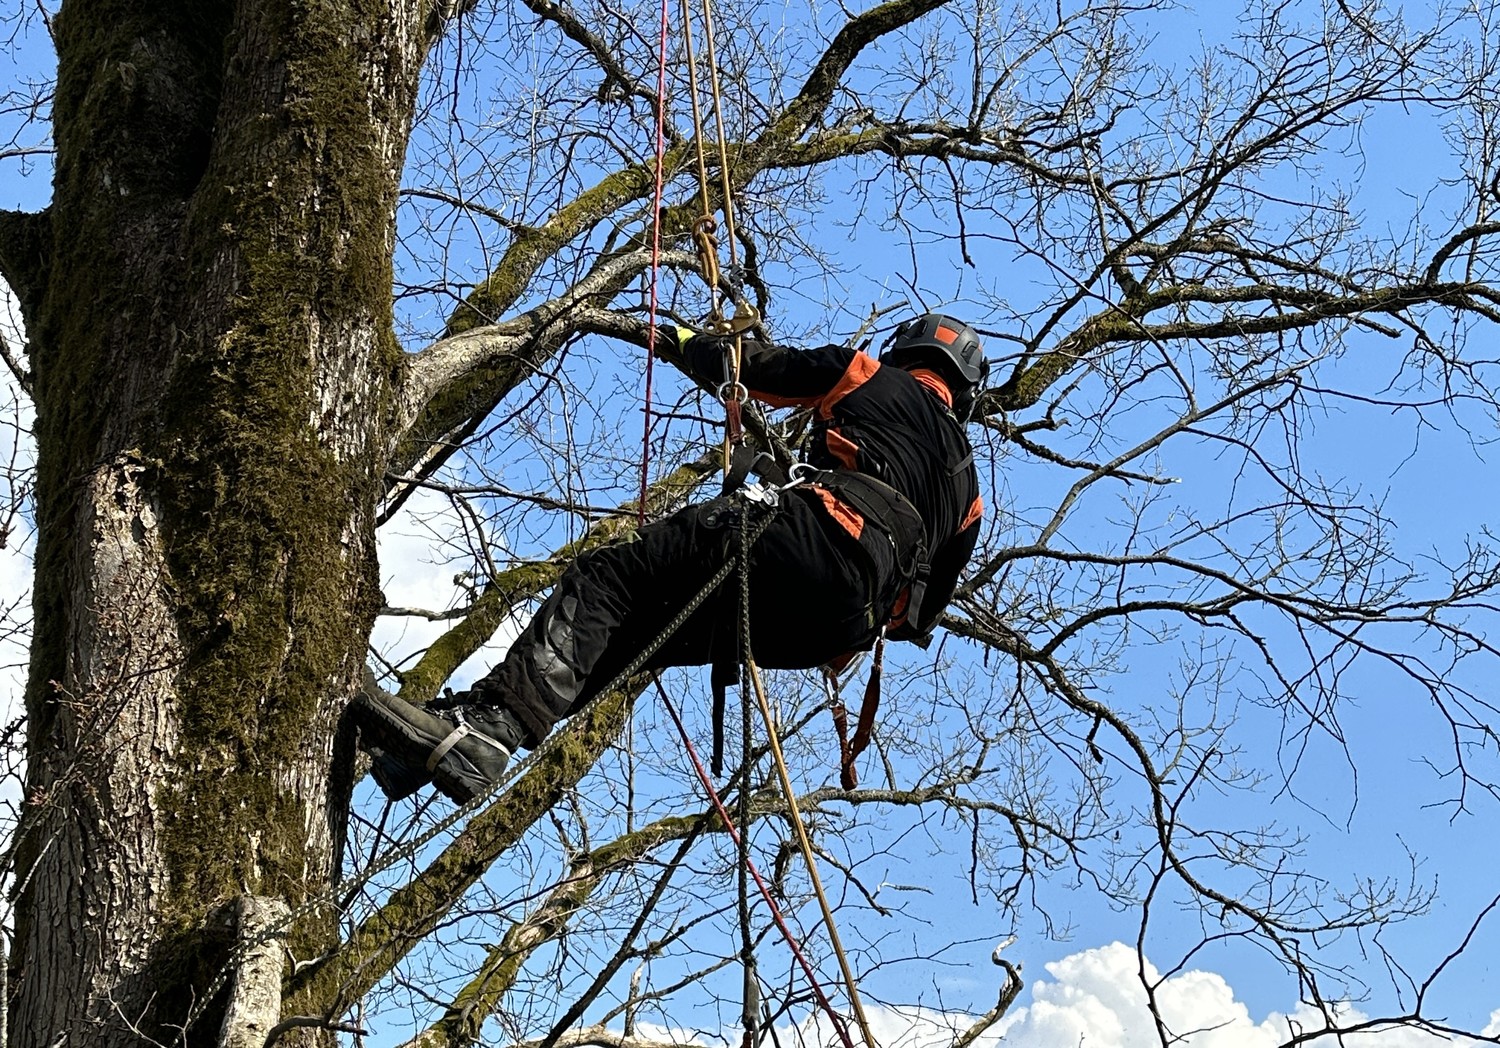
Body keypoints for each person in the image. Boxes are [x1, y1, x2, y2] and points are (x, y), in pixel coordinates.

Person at [354, 313, 989, 803]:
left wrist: (682, 339)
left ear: (906, 353)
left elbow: (754, 368)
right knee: (640, 632)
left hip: (810, 535)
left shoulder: (867, 375)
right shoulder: (970, 496)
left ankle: (493, 725)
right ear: (963, 393)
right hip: (839, 625)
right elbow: (915, 622)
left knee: (611, 576)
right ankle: (464, 740)